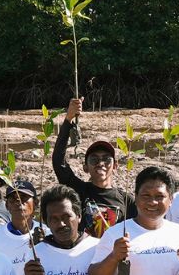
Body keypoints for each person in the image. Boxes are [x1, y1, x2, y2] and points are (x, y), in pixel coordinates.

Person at [88, 166, 179, 275]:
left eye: (159, 196)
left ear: (171, 200)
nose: (152, 202)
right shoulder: (115, 233)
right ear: (135, 197)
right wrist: (113, 257)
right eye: (146, 195)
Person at [52, 97, 136, 234]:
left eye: (106, 159)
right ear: (85, 168)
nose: (101, 163)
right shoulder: (78, 190)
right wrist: (68, 119)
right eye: (94, 160)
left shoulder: (127, 200)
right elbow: (58, 161)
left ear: (115, 166)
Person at [24, 186, 99, 275]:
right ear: (47, 223)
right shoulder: (36, 253)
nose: (61, 224)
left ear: (79, 216)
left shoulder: (97, 247)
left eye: (66, 216)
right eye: (54, 219)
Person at [0, 177, 44, 243]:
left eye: (23, 197)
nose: (18, 202)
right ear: (6, 205)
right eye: (13, 198)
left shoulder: (48, 234)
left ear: (36, 203)